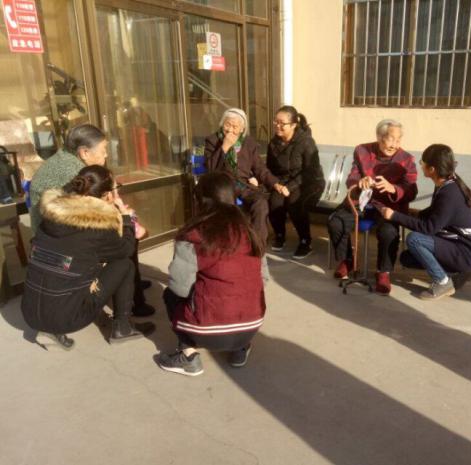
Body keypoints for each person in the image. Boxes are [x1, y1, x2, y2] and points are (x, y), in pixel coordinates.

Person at [21, 165, 155, 349]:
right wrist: (126, 219)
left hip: (30, 312)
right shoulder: (97, 226)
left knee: (69, 269)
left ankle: (50, 328)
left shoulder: (52, 216)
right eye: (116, 188)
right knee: (124, 265)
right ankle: (122, 328)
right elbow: (126, 249)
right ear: (106, 195)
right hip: (68, 319)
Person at [28, 123, 155, 317]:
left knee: (127, 231)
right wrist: (124, 217)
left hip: (59, 232)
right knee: (125, 240)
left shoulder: (67, 159)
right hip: (62, 241)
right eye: (103, 150)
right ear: (84, 152)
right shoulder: (73, 172)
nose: (106, 155)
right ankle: (135, 299)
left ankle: (131, 282)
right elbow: (92, 211)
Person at [157, 172, 266, 376]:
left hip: (207, 330)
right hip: (251, 326)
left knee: (169, 295)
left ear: (200, 200)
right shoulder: (251, 232)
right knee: (242, 289)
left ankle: (188, 356)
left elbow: (179, 287)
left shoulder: (193, 235)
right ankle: (240, 349)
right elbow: (264, 279)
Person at [379, 144, 471, 300]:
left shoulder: (450, 193)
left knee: (414, 239)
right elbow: (436, 211)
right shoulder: (447, 182)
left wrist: (394, 215)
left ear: (432, 169)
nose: (421, 165)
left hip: (467, 251)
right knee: (407, 259)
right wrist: (414, 213)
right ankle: (459, 272)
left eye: (422, 162)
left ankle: (443, 282)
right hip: (460, 245)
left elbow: (428, 228)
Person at [327, 119, 418, 295]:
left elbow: (411, 190)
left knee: (388, 232)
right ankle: (347, 260)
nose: (395, 145)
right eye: (391, 139)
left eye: (398, 140)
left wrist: (394, 189)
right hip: (361, 201)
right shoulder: (362, 150)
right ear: (379, 137)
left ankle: (383, 272)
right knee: (336, 221)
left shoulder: (406, 159)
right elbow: (352, 177)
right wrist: (359, 182)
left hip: (387, 205)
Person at [204, 108, 288, 247]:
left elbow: (260, 168)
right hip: (221, 184)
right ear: (222, 124)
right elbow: (211, 169)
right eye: (227, 125)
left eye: (235, 127)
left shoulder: (248, 143)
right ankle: (227, 244)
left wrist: (275, 183)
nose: (230, 130)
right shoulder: (213, 140)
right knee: (227, 205)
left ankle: (257, 245)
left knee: (261, 203)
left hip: (241, 184)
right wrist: (224, 147)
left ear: (242, 129)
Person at [267, 105, 326, 259]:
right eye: (276, 122)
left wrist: (289, 186)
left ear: (293, 125)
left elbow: (310, 171)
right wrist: (276, 184)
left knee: (295, 203)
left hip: (310, 183)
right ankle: (280, 235)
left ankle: (305, 242)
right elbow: (270, 168)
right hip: (284, 182)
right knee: (274, 201)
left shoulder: (306, 142)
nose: (277, 126)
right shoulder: (273, 143)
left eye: (282, 123)